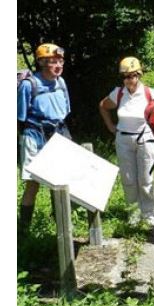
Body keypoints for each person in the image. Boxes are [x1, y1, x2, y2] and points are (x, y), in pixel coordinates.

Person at [17, 43, 72, 237]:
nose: (58, 65)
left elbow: (64, 112)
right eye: (53, 62)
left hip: (58, 135)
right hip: (34, 137)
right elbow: (18, 119)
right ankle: (23, 231)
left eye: (60, 61)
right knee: (33, 184)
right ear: (41, 63)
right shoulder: (28, 85)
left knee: (59, 180)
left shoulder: (61, 83)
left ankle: (61, 225)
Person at [99, 57, 154, 226]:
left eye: (133, 75)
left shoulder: (150, 93)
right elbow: (103, 106)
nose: (130, 80)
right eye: (125, 76)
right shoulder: (118, 93)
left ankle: (149, 215)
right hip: (123, 139)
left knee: (145, 178)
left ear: (139, 75)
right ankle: (133, 214)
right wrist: (111, 126)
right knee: (128, 178)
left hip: (146, 139)